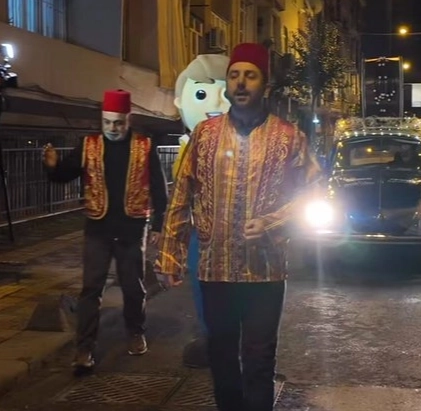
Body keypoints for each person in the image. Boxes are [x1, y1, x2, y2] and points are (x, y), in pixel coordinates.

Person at [155, 42, 322, 411]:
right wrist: (170, 255)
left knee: (260, 359)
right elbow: (181, 196)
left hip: (265, 272)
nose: (241, 83)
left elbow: (314, 192)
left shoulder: (289, 137)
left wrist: (273, 222)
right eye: (234, 76)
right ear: (228, 84)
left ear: (265, 85)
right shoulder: (204, 135)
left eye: (250, 75)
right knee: (222, 356)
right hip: (215, 271)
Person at [43, 89, 168, 374]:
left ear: (128, 119)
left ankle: (135, 332)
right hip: (97, 228)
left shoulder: (145, 146)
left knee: (133, 286)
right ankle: (84, 348)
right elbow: (64, 174)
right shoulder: (88, 145)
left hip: (132, 227)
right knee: (91, 289)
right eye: (107, 122)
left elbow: (159, 189)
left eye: (118, 123)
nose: (112, 128)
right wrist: (51, 167)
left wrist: (159, 225)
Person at [172, 53, 231, 369]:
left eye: (225, 93)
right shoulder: (187, 146)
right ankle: (211, 338)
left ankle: (232, 340)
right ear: (179, 101)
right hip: (199, 231)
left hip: (234, 232)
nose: (215, 103)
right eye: (201, 94)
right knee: (201, 285)